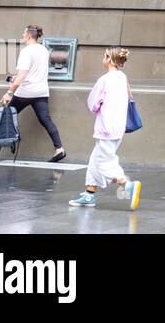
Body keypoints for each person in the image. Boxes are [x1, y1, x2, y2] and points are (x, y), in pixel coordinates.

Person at [0, 25, 66, 163]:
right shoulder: (43, 50)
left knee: (4, 116)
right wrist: (16, 78)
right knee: (46, 120)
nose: (22, 35)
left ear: (28, 35)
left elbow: (22, 75)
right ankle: (59, 149)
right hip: (41, 91)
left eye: (23, 32)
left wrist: (9, 92)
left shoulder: (27, 52)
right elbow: (33, 72)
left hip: (25, 92)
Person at [69, 47, 141, 210]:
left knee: (103, 162)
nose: (103, 58)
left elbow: (93, 104)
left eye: (104, 56)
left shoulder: (105, 80)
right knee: (96, 159)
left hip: (106, 127)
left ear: (109, 59)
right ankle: (89, 194)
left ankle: (126, 184)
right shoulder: (123, 77)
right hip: (118, 127)